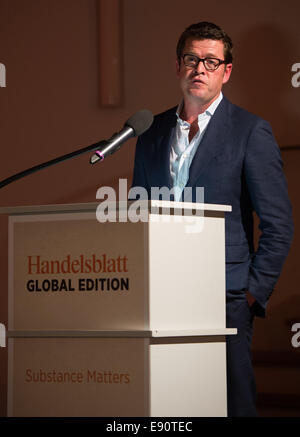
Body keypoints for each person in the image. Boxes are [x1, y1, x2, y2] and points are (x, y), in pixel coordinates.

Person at [131, 21, 294, 416]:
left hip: (226, 297)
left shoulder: (251, 131)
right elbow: (138, 215)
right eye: (192, 59)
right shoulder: (150, 134)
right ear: (178, 66)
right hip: (161, 296)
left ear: (226, 71)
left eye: (210, 61)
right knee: (171, 406)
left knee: (231, 404)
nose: (199, 68)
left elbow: (278, 224)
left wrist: (251, 292)